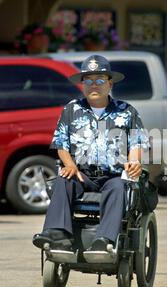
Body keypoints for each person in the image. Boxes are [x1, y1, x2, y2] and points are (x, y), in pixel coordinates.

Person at [32, 55, 150, 253]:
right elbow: (61, 144)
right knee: (64, 178)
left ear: (110, 83)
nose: (94, 85)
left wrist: (134, 162)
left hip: (113, 175)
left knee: (119, 187)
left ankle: (104, 240)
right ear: (82, 84)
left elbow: (136, 142)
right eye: (88, 80)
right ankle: (57, 233)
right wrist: (69, 164)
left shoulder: (127, 111)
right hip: (82, 174)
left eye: (100, 80)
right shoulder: (71, 109)